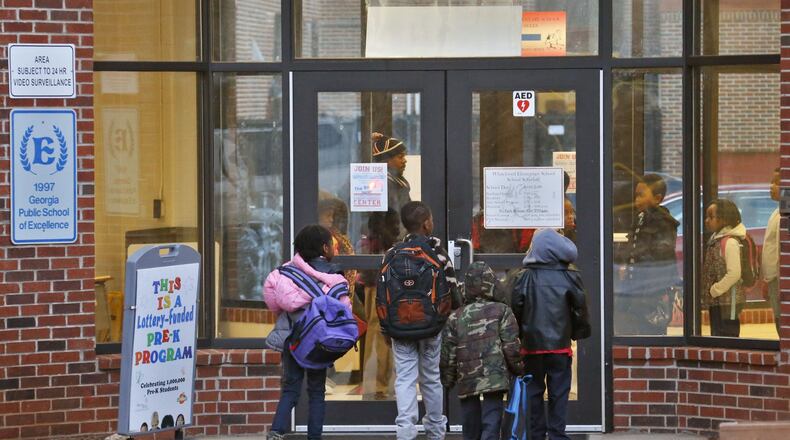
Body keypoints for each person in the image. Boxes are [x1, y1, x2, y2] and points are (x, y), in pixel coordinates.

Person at [263, 225, 352, 440]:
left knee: (290, 388)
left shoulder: (284, 273)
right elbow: (344, 310)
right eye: (332, 244)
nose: (334, 248)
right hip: (319, 343)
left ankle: (276, 431)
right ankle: (314, 436)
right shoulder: (335, 278)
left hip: (292, 339)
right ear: (324, 248)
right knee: (316, 392)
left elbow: (273, 302)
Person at [385, 201, 459, 440]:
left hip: (400, 327)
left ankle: (405, 432)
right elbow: (453, 293)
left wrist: (388, 327)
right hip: (431, 328)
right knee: (430, 377)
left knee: (405, 378)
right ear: (427, 223)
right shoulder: (437, 253)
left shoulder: (392, 253)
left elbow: (383, 294)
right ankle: (436, 430)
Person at [511, 228, 591, 440]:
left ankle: (536, 434)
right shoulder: (571, 276)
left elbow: (516, 309)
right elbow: (580, 309)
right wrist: (576, 332)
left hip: (531, 346)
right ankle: (557, 434)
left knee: (534, 391)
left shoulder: (522, 277)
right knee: (559, 392)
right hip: (560, 347)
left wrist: (519, 335)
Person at [440, 261, 524, 440]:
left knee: (469, 416)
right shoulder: (503, 311)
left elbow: (449, 351)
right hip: (495, 375)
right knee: (492, 415)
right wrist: (518, 368)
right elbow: (511, 345)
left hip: (467, 376)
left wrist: (447, 379)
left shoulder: (456, 316)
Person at [616, 174, 679, 335]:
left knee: (652, 331)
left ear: (657, 199)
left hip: (653, 289)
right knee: (633, 327)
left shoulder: (664, 222)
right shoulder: (640, 218)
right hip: (635, 287)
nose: (636, 200)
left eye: (641, 195)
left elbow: (661, 255)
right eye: (636, 195)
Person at [702, 199, 746, 337]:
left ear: (725, 220)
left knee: (728, 334)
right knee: (717, 333)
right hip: (718, 300)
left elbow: (734, 273)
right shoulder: (717, 239)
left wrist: (715, 289)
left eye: (711, 217)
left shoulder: (730, 242)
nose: (706, 220)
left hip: (729, 301)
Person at [762, 168, 781, 336]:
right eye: (771, 182)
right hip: (773, 279)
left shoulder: (784, 216)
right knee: (777, 317)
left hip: (780, 279)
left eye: (776, 183)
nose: (771, 186)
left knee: (781, 319)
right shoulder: (777, 212)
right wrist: (767, 280)